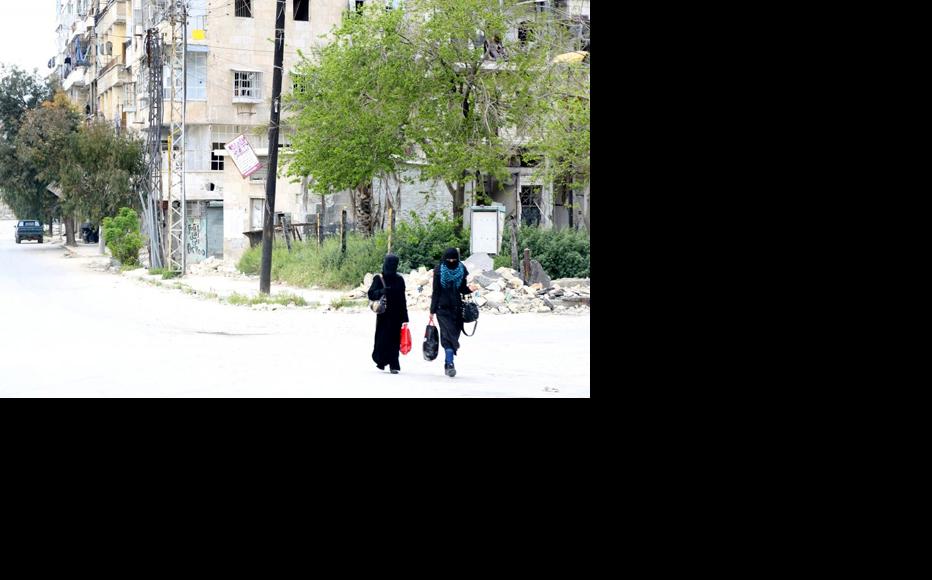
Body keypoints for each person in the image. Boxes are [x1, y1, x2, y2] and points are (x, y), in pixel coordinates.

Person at [430, 248, 479, 377]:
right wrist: (432, 311)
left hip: (457, 308)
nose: (451, 261)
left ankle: (448, 362)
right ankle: (450, 364)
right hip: (442, 309)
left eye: (454, 259)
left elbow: (462, 289)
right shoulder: (439, 270)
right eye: (449, 259)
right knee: (447, 336)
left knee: (454, 336)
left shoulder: (461, 269)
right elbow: (436, 291)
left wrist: (470, 289)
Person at [368, 254, 409, 374]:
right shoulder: (378, 278)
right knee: (382, 339)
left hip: (396, 314)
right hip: (383, 314)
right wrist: (381, 291)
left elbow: (402, 299)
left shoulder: (399, 279)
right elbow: (371, 294)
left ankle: (394, 365)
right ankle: (381, 361)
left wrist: (405, 317)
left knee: (395, 340)